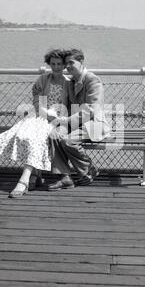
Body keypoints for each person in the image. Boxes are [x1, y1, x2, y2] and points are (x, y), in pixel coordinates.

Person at [0, 48, 69, 197]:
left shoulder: (69, 83)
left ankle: (25, 180)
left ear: (64, 65)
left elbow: (69, 107)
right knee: (26, 136)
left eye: (59, 64)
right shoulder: (43, 80)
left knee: (38, 138)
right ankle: (34, 175)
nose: (56, 67)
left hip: (58, 120)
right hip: (40, 116)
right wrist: (47, 115)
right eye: (53, 64)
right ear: (49, 64)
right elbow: (38, 103)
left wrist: (58, 119)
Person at [48, 48, 110, 190]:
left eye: (71, 63)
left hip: (94, 123)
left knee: (68, 141)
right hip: (76, 123)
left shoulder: (92, 80)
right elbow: (67, 106)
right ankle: (65, 178)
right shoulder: (70, 83)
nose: (68, 66)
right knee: (54, 135)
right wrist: (58, 122)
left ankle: (88, 168)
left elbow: (91, 110)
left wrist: (66, 121)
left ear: (81, 62)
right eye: (66, 64)